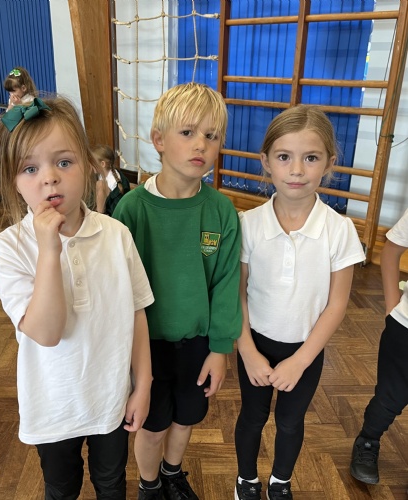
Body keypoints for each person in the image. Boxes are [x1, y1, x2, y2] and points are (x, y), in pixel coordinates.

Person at [0, 95, 154, 499]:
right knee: (61, 489)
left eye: (64, 162)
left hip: (110, 398)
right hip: (53, 407)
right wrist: (50, 250)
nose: (49, 178)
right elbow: (46, 333)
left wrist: (143, 383)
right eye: (30, 168)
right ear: (13, 180)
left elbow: (136, 312)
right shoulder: (8, 248)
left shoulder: (116, 235)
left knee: (111, 483)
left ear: (88, 164)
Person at [113, 82, 242, 500]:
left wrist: (220, 350)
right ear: (159, 140)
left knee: (186, 420)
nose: (200, 144)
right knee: (153, 426)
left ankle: (172, 474)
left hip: (198, 345)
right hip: (146, 346)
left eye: (212, 135)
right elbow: (118, 291)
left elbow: (226, 284)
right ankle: (149, 485)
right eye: (187, 132)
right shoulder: (131, 210)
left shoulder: (221, 211)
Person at [234, 105, 365, 500]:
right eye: (284, 157)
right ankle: (246, 481)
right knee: (252, 417)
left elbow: (337, 305)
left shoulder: (340, 230)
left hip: (305, 350)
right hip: (254, 344)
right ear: (266, 162)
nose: (296, 170)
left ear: (329, 163)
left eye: (310, 158)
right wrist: (248, 353)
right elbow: (235, 294)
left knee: (290, 422)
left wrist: (301, 360)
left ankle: (281, 482)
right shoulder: (248, 224)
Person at [349, 208, 408, 485]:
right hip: (405, 328)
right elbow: (392, 249)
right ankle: (368, 441)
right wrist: (392, 306)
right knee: (389, 398)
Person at [92, 144, 131, 216]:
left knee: (100, 184)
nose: (91, 165)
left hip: (113, 215)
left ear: (103, 164)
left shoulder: (114, 184)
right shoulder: (104, 174)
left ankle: (98, 215)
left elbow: (118, 211)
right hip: (107, 211)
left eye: (93, 163)